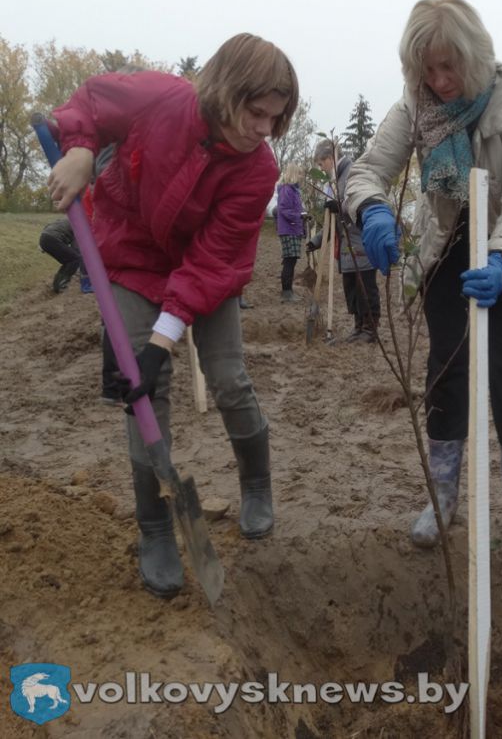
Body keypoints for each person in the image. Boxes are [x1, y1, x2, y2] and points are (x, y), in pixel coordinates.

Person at [47, 33, 298, 599]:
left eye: (274, 118)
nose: (264, 128)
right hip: (131, 258)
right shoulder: (161, 98)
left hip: (204, 272)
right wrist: (83, 148)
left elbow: (212, 260)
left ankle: (256, 482)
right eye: (256, 112)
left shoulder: (258, 170)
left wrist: (162, 340)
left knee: (229, 378)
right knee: (141, 393)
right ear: (226, 90)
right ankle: (156, 524)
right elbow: (88, 104)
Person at [345, 0, 502, 555]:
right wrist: (371, 207)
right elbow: (368, 170)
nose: (439, 80)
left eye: (449, 66)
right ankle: (443, 496)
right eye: (427, 67)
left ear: (473, 56)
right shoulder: (415, 107)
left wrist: (499, 259)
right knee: (446, 371)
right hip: (448, 251)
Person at [309, 139, 380, 342]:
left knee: (365, 286)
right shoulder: (335, 180)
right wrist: (317, 240)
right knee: (352, 288)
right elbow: (334, 221)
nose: (321, 169)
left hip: (359, 242)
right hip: (346, 246)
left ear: (330, 158)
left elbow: (358, 204)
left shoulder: (351, 173)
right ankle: (359, 327)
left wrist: (339, 205)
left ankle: (370, 328)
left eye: (322, 164)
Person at [275, 162, 305, 302]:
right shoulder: (287, 189)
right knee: (289, 260)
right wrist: (299, 216)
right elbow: (284, 210)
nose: (301, 176)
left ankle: (288, 290)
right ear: (293, 173)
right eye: (299, 173)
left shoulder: (294, 191)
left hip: (293, 228)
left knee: (291, 260)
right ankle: (286, 291)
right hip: (289, 229)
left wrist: (303, 214)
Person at [39, 217, 82, 293]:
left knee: (69, 261)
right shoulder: (79, 225)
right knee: (75, 259)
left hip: (44, 238)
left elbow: (48, 226)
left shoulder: (65, 219)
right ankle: (61, 286)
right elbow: (75, 248)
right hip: (53, 239)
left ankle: (57, 286)